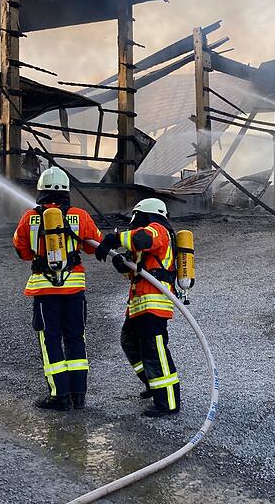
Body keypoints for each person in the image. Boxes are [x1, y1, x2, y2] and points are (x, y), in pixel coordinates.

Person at [13, 167, 102, 411]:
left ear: (40, 190)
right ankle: (78, 395)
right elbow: (94, 246)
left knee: (50, 340)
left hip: (45, 292)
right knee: (76, 337)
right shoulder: (80, 216)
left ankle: (58, 396)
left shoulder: (30, 217)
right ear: (66, 191)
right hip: (74, 290)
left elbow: (22, 250)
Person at [95, 198, 181, 418]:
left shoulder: (158, 229)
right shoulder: (148, 238)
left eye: (136, 217)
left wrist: (115, 238)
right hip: (139, 304)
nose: (133, 222)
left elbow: (141, 239)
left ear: (145, 214)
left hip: (153, 303)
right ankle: (153, 382)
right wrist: (122, 265)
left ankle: (168, 401)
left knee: (155, 351)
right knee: (129, 342)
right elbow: (138, 272)